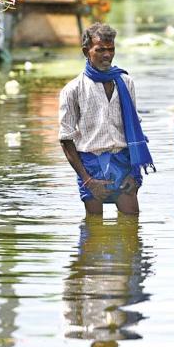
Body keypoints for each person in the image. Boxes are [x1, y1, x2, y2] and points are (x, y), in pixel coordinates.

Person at [59, 23, 154, 215]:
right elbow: (66, 139)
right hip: (90, 165)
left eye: (111, 49)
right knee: (94, 230)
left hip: (123, 162)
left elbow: (134, 129)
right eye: (100, 49)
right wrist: (87, 180)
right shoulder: (73, 89)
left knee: (131, 226)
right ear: (87, 51)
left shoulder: (126, 82)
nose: (107, 55)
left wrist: (134, 174)